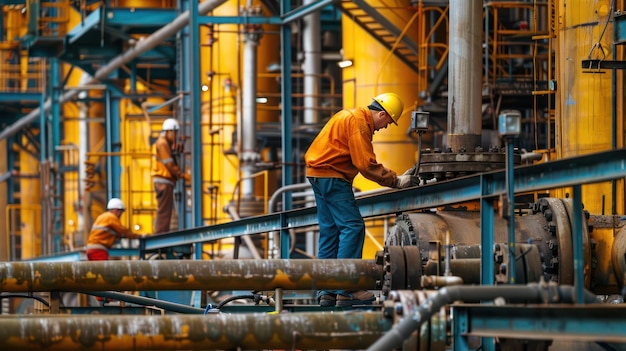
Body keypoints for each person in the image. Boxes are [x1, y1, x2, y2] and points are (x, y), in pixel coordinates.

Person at [304, 92, 419, 307]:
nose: (385, 127)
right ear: (382, 114)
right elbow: (365, 165)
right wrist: (397, 181)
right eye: (388, 122)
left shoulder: (348, 115)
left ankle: (326, 290)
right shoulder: (359, 123)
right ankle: (347, 288)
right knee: (353, 227)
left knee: (331, 231)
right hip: (333, 176)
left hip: (317, 175)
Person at [152, 118, 190, 234]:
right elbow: (168, 162)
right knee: (164, 210)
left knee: (165, 209)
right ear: (169, 131)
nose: (176, 135)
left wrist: (179, 147)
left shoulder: (164, 143)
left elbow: (172, 153)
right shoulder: (162, 143)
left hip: (164, 180)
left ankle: (161, 232)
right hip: (163, 180)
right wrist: (181, 174)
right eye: (175, 133)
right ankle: (161, 234)